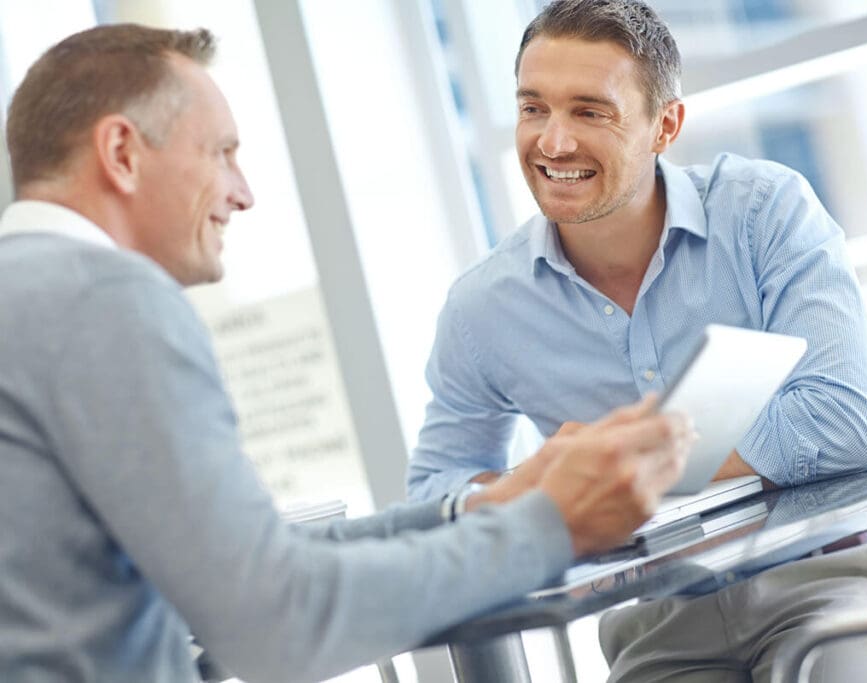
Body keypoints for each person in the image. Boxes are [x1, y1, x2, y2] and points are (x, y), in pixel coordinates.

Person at [0, 24, 696, 683]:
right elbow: (275, 615)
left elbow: (248, 561)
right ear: (121, 153)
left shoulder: (29, 296)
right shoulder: (106, 300)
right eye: (222, 153)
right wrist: (550, 528)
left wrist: (481, 509)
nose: (243, 193)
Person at [406, 0, 867, 680]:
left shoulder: (764, 214)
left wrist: (629, 472)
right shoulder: (481, 309)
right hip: (658, 625)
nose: (553, 142)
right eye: (532, 108)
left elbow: (847, 421)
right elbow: (433, 494)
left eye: (589, 111)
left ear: (664, 124)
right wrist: (537, 486)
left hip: (824, 585)